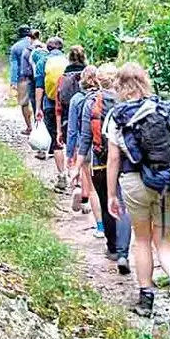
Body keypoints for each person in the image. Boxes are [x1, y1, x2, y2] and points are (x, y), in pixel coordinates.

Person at [105, 62, 170, 320]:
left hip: (135, 182)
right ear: (145, 82)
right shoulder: (166, 108)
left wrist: (111, 194)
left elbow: (113, 159)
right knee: (165, 239)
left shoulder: (118, 115)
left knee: (142, 239)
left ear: (120, 87)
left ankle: (146, 298)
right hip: (168, 179)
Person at [76, 63, 131, 274]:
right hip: (125, 162)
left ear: (98, 80)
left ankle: (112, 247)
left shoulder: (91, 102)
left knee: (106, 200)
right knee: (123, 205)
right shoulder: (125, 101)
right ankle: (123, 252)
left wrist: (78, 163)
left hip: (99, 161)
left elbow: (85, 136)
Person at [65, 65, 103, 225]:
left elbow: (72, 129)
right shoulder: (104, 97)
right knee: (104, 186)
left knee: (89, 180)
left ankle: (99, 225)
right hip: (102, 146)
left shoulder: (77, 99)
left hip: (84, 144)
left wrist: (69, 153)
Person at [53, 46, 87, 192]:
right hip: (89, 120)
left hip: (68, 121)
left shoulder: (62, 79)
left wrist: (59, 130)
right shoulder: (91, 76)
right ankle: (84, 186)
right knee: (86, 155)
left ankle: (75, 185)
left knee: (73, 153)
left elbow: (58, 107)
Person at [33, 36, 66, 161]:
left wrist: (38, 108)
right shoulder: (67, 60)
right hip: (67, 103)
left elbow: (39, 86)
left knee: (53, 132)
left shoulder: (43, 61)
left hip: (50, 102)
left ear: (48, 48)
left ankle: (60, 170)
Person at [8, 25, 34, 134]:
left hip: (22, 78)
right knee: (39, 103)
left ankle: (29, 127)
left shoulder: (15, 47)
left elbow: (14, 65)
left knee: (24, 103)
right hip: (37, 78)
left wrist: (13, 82)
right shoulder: (37, 44)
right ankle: (41, 127)